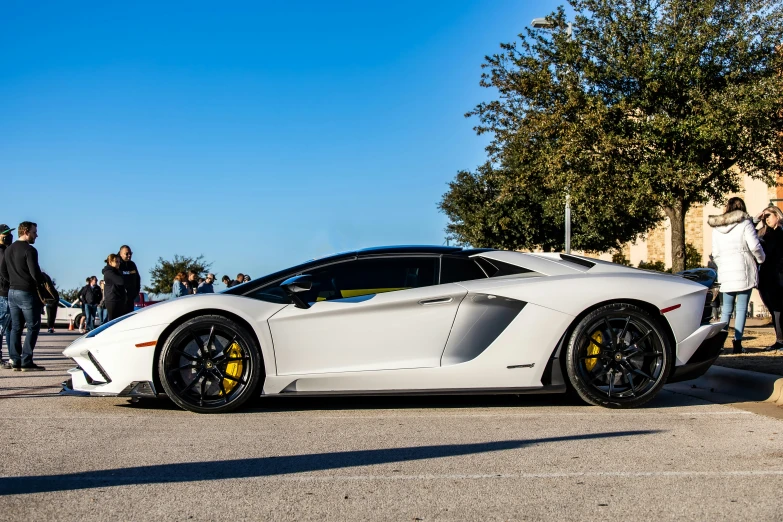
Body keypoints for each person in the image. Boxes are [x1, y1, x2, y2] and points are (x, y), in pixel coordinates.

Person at [709, 197, 766, 354]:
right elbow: (754, 246)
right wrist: (761, 259)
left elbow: (715, 253)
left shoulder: (717, 228)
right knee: (741, 308)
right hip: (743, 269)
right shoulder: (745, 224)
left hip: (726, 271)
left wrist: (722, 266)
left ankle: (720, 343)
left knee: (725, 309)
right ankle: (737, 343)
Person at [0, 221, 45, 371]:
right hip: (27, 292)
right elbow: (35, 274)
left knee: (16, 328)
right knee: (33, 326)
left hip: (12, 292)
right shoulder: (30, 250)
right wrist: (41, 284)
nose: (36, 235)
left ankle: (15, 359)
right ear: (25, 231)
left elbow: (3, 271)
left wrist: (13, 281)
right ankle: (26, 360)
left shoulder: (8, 250)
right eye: (34, 232)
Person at [755, 205, 783, 351]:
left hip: (777, 277)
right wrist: (756, 220)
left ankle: (780, 340)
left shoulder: (779, 233)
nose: (766, 219)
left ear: (777, 216)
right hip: (765, 277)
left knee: (778, 309)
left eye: (768, 216)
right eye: (764, 217)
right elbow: (749, 236)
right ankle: (779, 339)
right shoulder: (764, 233)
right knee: (773, 310)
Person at [0, 224, 14, 368]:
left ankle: (12, 357)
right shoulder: (2, 252)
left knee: (9, 326)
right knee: (3, 326)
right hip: (3, 293)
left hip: (5, 292)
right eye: (5, 234)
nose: (9, 236)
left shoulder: (6, 250)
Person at [102, 254, 126, 321]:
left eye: (119, 262)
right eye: (116, 262)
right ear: (110, 262)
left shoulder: (116, 271)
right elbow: (121, 281)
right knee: (113, 321)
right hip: (112, 300)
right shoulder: (109, 272)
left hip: (119, 299)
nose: (118, 263)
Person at [118, 245, 140, 316]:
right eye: (126, 254)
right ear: (121, 254)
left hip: (130, 299)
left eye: (130, 253)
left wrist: (136, 292)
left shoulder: (132, 265)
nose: (129, 255)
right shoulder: (118, 265)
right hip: (120, 300)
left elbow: (137, 278)